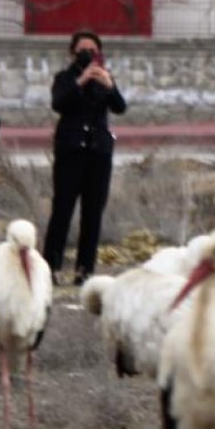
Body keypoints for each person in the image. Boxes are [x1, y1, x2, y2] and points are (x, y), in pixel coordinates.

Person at [42, 31, 127, 285]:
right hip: (71, 150)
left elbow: (120, 107)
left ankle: (85, 270)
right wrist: (81, 80)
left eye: (93, 49)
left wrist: (108, 85)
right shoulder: (65, 78)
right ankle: (51, 266)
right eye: (83, 49)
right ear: (73, 52)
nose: (89, 54)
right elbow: (59, 103)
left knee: (93, 213)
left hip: (98, 152)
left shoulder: (106, 77)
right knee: (63, 209)